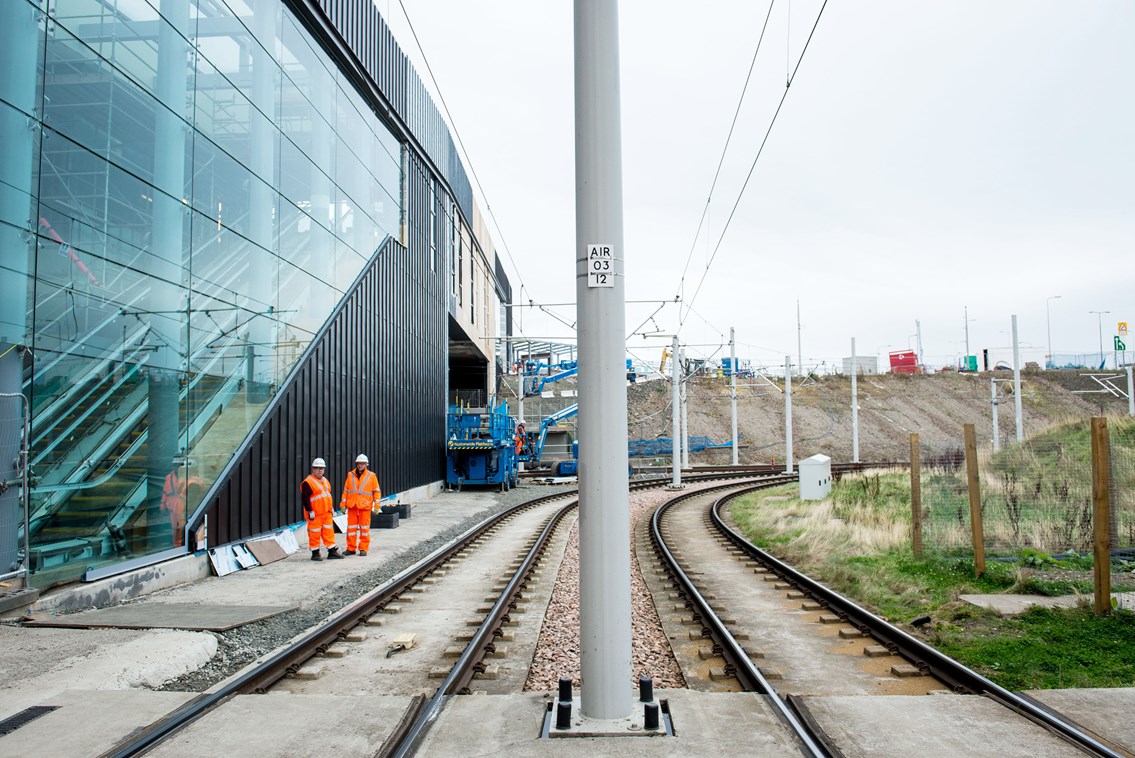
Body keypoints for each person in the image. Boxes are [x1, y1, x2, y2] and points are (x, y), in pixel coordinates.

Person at [302, 458, 343, 561]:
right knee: (314, 534)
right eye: (317, 468)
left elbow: (327, 495)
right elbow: (305, 498)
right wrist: (309, 511)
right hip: (315, 514)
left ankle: (332, 551)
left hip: (326, 513)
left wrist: (331, 508)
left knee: (329, 533)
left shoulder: (325, 481)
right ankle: (315, 553)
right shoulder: (308, 482)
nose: (320, 471)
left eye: (321, 469)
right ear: (313, 469)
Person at [340, 453, 381, 555]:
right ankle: (351, 548)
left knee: (364, 529)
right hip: (352, 506)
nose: (360, 465)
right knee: (351, 529)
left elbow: (376, 491)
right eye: (359, 463)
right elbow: (346, 490)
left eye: (362, 464)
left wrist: (376, 506)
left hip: (364, 506)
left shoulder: (372, 476)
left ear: (366, 464)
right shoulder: (350, 475)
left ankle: (363, 548)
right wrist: (342, 504)